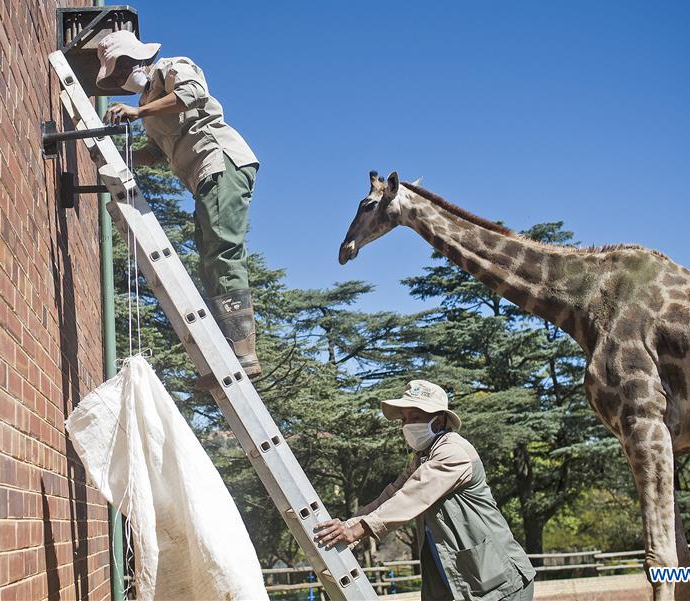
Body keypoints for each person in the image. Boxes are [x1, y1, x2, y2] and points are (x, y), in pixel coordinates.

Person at [94, 30, 261, 377]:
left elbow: (192, 94)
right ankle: (229, 348)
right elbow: (156, 153)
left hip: (221, 161)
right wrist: (117, 152)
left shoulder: (172, 67)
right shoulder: (148, 107)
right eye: (115, 74)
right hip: (203, 177)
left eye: (121, 67)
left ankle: (243, 349)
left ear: (136, 58)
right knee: (209, 257)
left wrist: (138, 112)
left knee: (222, 250)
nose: (121, 77)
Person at [315, 380, 536, 601]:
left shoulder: (454, 452)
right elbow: (392, 496)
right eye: (404, 419)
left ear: (438, 421)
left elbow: (411, 497)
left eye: (415, 417)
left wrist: (356, 531)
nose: (407, 425)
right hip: (460, 581)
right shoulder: (422, 458)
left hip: (500, 583)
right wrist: (347, 527)